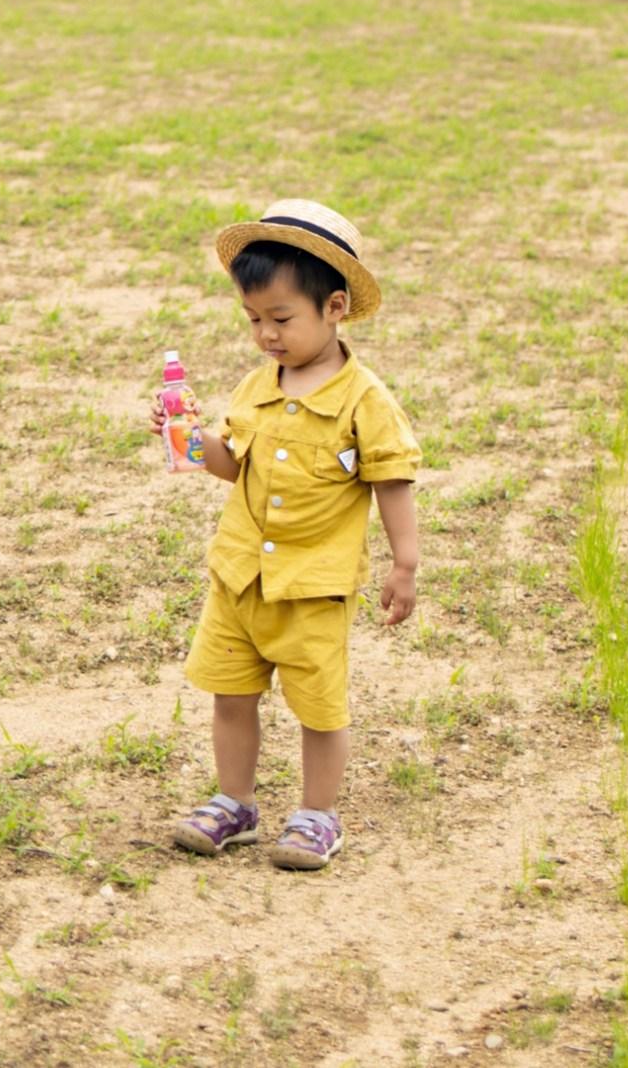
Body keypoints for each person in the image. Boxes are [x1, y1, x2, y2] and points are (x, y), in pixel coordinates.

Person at [159, 197, 422, 873]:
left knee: (319, 706)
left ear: (334, 308)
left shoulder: (364, 400)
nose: (266, 335)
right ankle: (235, 802)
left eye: (281, 319)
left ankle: (317, 815)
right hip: (241, 576)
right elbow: (230, 466)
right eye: (253, 319)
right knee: (231, 693)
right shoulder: (257, 386)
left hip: (313, 587)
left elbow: (392, 479)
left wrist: (405, 564)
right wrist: (191, 441)